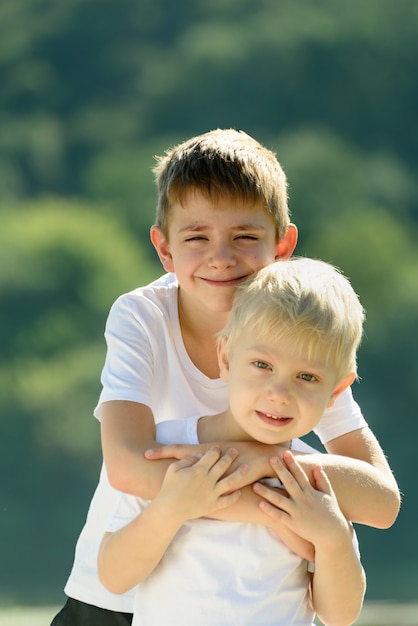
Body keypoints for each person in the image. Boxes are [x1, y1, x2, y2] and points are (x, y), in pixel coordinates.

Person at [51, 129, 399, 626]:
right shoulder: (142, 316)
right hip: (116, 593)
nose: (221, 256)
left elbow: (381, 503)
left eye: (245, 236)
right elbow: (129, 467)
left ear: (282, 245)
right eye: (196, 237)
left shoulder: (300, 347)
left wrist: (308, 520)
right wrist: (283, 501)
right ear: (165, 250)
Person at [98, 257, 367, 626]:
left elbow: (341, 616)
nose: (279, 393)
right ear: (225, 357)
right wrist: (169, 510)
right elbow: (113, 577)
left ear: (336, 391)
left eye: (306, 376)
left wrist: (334, 539)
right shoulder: (167, 449)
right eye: (262, 365)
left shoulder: (315, 481)